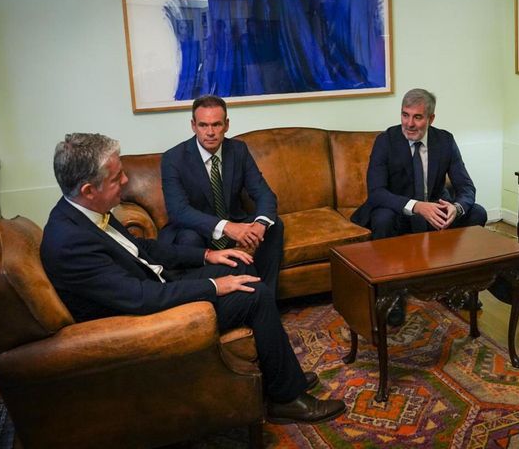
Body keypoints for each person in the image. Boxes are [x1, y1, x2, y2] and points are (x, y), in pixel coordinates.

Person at [40, 133, 345, 425]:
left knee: (240, 268)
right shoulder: (69, 243)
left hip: (158, 288)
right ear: (88, 190)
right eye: (116, 177)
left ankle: (279, 372)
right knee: (255, 293)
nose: (125, 181)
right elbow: (141, 298)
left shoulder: (87, 213)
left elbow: (142, 247)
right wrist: (214, 286)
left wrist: (206, 257)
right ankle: (286, 398)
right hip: (146, 321)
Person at [351, 88, 488, 325]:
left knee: (477, 212)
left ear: (431, 119)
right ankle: (392, 295)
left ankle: (454, 286)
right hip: (398, 211)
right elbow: (376, 193)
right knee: (381, 218)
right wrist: (416, 206)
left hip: (434, 212)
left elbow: (467, 188)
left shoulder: (444, 141)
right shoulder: (386, 141)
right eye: (405, 115)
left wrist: (456, 207)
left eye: (417, 117)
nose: (409, 123)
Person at [160, 94, 283, 292]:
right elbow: (178, 211)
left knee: (274, 225)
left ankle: (267, 296)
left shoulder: (238, 150)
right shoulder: (173, 158)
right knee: (188, 239)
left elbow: (264, 193)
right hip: (197, 230)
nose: (210, 132)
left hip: (234, 223)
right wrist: (226, 227)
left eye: (216, 125)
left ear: (226, 125)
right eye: (203, 125)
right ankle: (209, 303)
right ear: (193, 125)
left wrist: (260, 224)